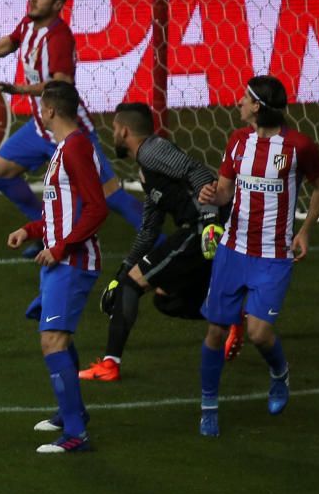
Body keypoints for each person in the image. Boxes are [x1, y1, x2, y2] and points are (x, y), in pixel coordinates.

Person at [0, 0, 143, 258]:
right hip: (40, 127)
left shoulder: (58, 38)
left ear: (57, 4)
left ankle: (162, 246)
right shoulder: (30, 24)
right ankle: (48, 231)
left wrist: (21, 89)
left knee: (112, 196)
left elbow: (62, 84)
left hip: (70, 129)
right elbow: (10, 41)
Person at [196, 75, 319, 437]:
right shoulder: (238, 142)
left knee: (258, 333)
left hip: (273, 255)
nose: (238, 103)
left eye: (244, 98)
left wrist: (305, 230)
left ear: (257, 106)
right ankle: (209, 408)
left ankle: (279, 373)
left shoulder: (300, 146)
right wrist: (213, 195)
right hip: (232, 250)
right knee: (215, 331)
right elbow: (225, 192)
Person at [78, 103, 230, 382]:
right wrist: (121, 272)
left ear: (124, 131)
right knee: (165, 299)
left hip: (201, 232)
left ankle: (110, 364)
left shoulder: (152, 150)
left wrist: (210, 222)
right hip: (196, 232)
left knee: (134, 285)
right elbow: (149, 229)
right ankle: (231, 316)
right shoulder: (147, 171)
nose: (113, 135)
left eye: (114, 129)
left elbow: (198, 172)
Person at [6, 81, 108, 454]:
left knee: (53, 341)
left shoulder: (77, 147)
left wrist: (61, 247)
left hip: (73, 260)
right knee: (56, 337)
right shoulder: (65, 148)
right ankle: (71, 412)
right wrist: (29, 230)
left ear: (49, 111)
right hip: (60, 258)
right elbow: (58, 213)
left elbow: (97, 208)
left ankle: (76, 433)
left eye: (41, 109)